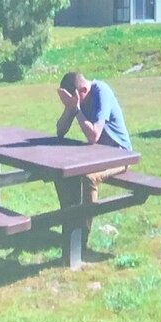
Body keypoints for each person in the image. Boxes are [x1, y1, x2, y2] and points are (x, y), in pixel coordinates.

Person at [54, 70, 132, 241]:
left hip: (119, 154)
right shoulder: (78, 100)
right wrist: (69, 108)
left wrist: (76, 110)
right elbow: (60, 131)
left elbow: (94, 135)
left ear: (82, 91)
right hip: (98, 154)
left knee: (89, 178)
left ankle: (82, 236)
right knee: (61, 173)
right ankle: (69, 225)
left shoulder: (100, 93)